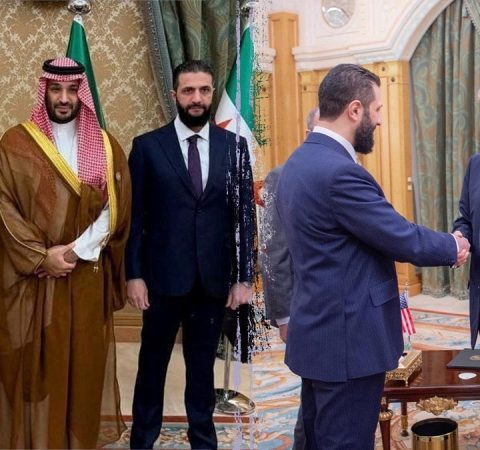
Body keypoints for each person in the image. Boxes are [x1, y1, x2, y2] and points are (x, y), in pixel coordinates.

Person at [275, 63, 470, 450]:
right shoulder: (339, 172)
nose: (379, 120)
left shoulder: (297, 162)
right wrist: (453, 245)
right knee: (345, 442)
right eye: (377, 109)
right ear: (355, 110)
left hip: (317, 333)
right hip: (348, 341)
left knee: (316, 438)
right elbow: (399, 236)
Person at [0, 57, 131, 449]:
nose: (63, 98)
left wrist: (72, 254)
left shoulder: (106, 146)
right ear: (44, 91)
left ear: (81, 94)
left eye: (72, 90)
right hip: (33, 282)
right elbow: (3, 206)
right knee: (37, 367)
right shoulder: (15, 144)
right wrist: (42, 257)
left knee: (83, 365)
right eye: (56, 89)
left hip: (84, 278)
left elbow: (116, 208)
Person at [126, 59, 255, 450]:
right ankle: (142, 441)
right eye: (188, 91)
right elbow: (135, 218)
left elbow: (243, 217)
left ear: (212, 93)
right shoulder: (147, 147)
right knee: (152, 367)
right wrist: (134, 274)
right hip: (161, 280)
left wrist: (243, 277)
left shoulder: (234, 146)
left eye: (203, 90)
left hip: (211, 280)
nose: (196, 98)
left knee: (202, 371)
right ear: (175, 95)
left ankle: (203, 440)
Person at [259, 106, 319, 450]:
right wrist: (284, 315)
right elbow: (272, 251)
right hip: (303, 309)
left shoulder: (350, 172)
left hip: (339, 309)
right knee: (312, 395)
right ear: (308, 134)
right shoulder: (281, 177)